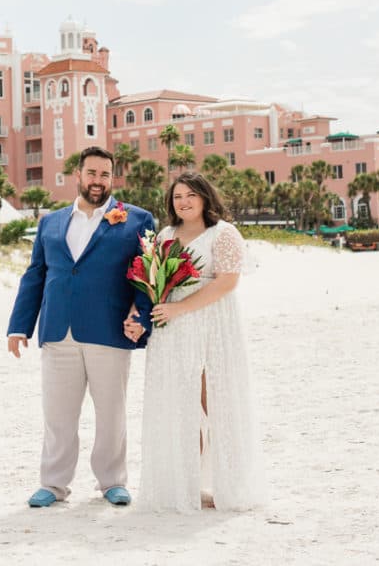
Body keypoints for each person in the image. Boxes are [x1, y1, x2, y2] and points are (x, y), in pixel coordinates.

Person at [7, 145, 154, 508]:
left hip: (110, 330)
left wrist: (140, 316)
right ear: (78, 174)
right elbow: (36, 275)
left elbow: (146, 276)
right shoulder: (51, 222)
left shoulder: (137, 220)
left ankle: (112, 482)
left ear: (112, 177)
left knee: (111, 414)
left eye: (105, 174)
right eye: (92, 173)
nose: (98, 181)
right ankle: (53, 485)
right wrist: (19, 326)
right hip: (58, 331)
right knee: (58, 415)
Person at [126, 170, 266, 513]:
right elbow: (149, 282)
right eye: (177, 197)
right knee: (177, 404)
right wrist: (136, 314)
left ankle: (226, 483)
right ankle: (184, 485)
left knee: (214, 401)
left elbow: (227, 283)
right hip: (171, 330)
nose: (184, 202)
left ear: (205, 197)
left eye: (190, 195)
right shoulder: (165, 235)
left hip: (211, 322)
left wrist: (180, 309)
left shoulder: (224, 233)